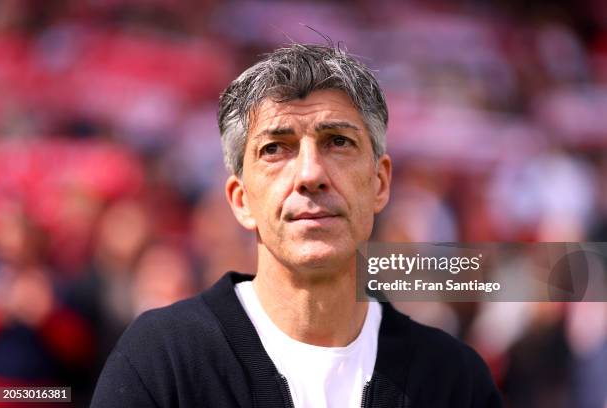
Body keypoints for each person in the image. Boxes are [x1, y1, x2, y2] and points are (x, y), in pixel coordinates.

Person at [90, 43, 503, 408]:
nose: (310, 174)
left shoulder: (455, 381)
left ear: (380, 183)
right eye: (275, 148)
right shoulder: (162, 361)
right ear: (241, 199)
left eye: (338, 142)